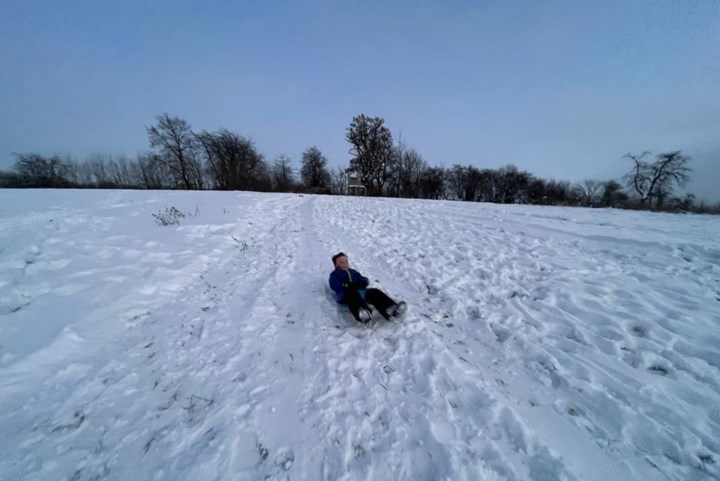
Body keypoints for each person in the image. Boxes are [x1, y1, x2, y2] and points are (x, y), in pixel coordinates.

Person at [328, 252, 406, 323]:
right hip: (345, 296)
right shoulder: (335, 274)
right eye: (341, 262)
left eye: (346, 262)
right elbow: (333, 285)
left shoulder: (353, 272)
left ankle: (390, 309)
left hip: (360, 292)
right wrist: (345, 285)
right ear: (335, 265)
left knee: (374, 292)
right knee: (353, 296)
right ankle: (363, 314)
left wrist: (363, 282)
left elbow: (363, 279)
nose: (345, 264)